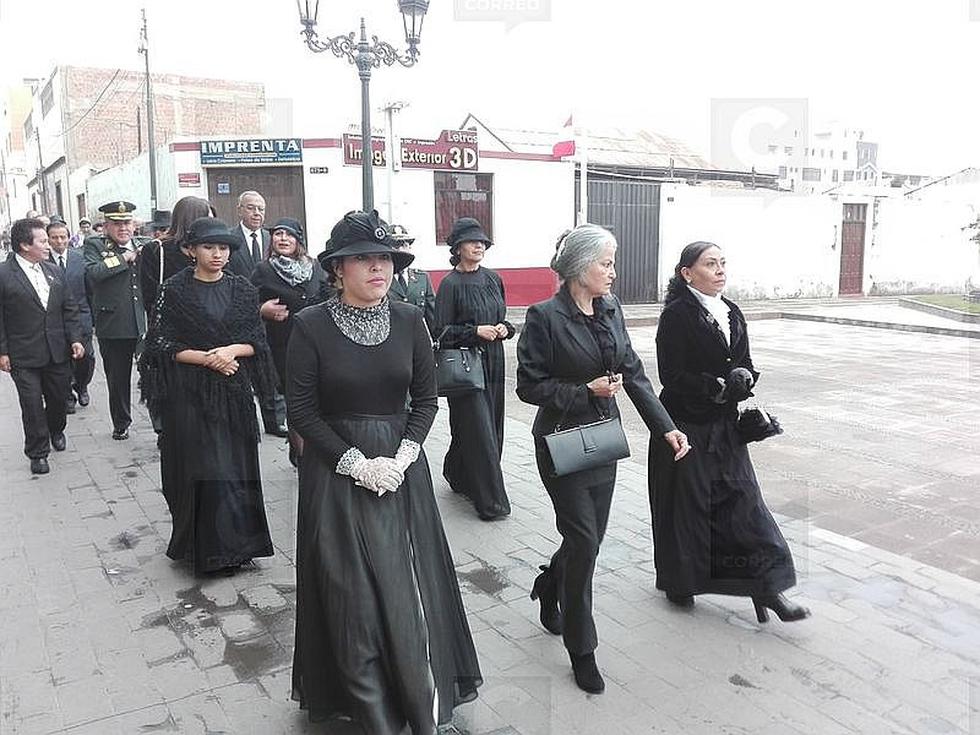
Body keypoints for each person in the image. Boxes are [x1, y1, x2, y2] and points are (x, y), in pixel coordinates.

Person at [287, 210, 481, 733]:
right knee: (350, 594)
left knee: (407, 587)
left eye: (385, 259)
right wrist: (354, 463)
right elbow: (301, 412)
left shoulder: (411, 320)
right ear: (337, 268)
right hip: (335, 471)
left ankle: (420, 700)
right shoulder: (309, 327)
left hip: (400, 470)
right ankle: (369, 708)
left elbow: (426, 399)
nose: (379, 267)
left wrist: (402, 456)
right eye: (365, 258)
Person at [516, 224, 689, 694]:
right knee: (585, 543)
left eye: (612, 262)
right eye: (605, 263)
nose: (613, 272)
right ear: (578, 268)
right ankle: (582, 648)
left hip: (603, 443)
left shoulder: (610, 309)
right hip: (561, 443)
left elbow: (633, 372)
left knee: (584, 543)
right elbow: (528, 386)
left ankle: (551, 583)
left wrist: (666, 426)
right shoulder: (544, 317)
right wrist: (581, 391)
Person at [649, 241, 810, 624]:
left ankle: (766, 588)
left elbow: (747, 363)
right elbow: (671, 376)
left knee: (743, 502)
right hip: (685, 426)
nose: (720, 269)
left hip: (724, 428)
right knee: (686, 508)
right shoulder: (676, 315)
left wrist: (745, 379)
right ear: (687, 273)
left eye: (722, 263)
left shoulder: (732, 312)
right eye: (710, 264)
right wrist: (718, 386)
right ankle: (681, 581)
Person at [138, 217, 276, 575]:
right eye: (209, 247)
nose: (217, 255)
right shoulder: (175, 290)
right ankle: (204, 549)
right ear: (190, 250)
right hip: (189, 394)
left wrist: (230, 351)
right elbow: (160, 344)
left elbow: (256, 341)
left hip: (232, 392)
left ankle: (239, 547)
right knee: (202, 467)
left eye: (224, 248)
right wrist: (207, 359)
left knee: (234, 467)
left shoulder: (243, 289)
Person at [434, 217, 514, 520]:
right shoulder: (450, 284)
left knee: (490, 426)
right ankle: (491, 502)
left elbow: (502, 316)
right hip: (465, 366)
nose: (479, 245)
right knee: (477, 430)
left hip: (494, 361)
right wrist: (474, 331)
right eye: (472, 241)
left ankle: (458, 473)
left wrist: (505, 328)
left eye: (482, 241)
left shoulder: (493, 278)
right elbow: (440, 331)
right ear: (458, 247)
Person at [0, 218, 84, 474]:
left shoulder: (53, 271)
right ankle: (37, 452)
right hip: (22, 353)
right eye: (43, 241)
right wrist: (2, 350)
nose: (49, 245)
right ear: (25, 245)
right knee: (32, 404)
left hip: (56, 350)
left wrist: (76, 339)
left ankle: (56, 429)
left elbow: (69, 307)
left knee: (59, 399)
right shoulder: (4, 274)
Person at [250, 217, 330, 466]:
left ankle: (307, 449)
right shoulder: (263, 270)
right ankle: (304, 456)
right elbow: (244, 303)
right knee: (296, 400)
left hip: (319, 343)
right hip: (284, 345)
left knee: (319, 397)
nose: (283, 238)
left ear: (299, 240)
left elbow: (329, 295)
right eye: (277, 234)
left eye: (289, 234)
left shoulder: (316, 267)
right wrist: (262, 309)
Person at [83, 200, 148, 440]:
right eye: (117, 224)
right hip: (114, 324)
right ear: (106, 226)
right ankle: (121, 423)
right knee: (118, 378)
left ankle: (161, 424)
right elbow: (94, 273)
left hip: (143, 322)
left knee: (153, 375)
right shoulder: (94, 245)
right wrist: (124, 259)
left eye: (127, 223)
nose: (123, 228)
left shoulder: (145, 245)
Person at [47, 220, 95, 413]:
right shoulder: (43, 263)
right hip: (56, 320)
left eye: (63, 237)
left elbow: (90, 290)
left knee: (87, 358)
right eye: (55, 237)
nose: (59, 241)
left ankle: (81, 385)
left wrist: (94, 318)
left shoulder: (79, 258)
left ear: (69, 238)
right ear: (48, 240)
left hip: (81, 316)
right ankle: (66, 394)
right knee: (62, 360)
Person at [139, 196, 213, 317]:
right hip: (171, 323)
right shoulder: (156, 250)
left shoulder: (214, 250)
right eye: (208, 219)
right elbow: (149, 296)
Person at [387, 223, 436, 337]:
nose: (400, 249)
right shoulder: (381, 279)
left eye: (404, 245)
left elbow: (432, 318)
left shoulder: (422, 278)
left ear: (410, 248)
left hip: (417, 341)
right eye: (395, 245)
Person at [226, 190, 270, 278]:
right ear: (239, 210)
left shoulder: (271, 238)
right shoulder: (229, 237)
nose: (257, 213)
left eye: (261, 209)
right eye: (250, 208)